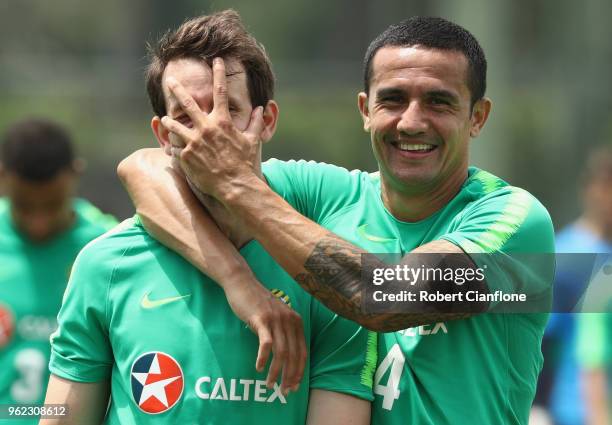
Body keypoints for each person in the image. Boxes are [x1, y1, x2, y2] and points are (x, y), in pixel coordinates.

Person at [120, 16, 556, 424]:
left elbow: (387, 297)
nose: (411, 121)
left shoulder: (515, 221)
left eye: (439, 102)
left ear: (476, 116)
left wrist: (236, 183)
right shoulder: (325, 194)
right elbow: (145, 169)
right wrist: (241, 284)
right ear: (365, 109)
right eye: (393, 99)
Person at [42, 11, 374, 425]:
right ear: (163, 136)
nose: (208, 132)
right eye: (185, 115)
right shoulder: (105, 265)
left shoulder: (324, 274)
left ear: (266, 120)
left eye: (227, 109)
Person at [0, 118, 116, 424]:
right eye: (24, 206)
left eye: (52, 206)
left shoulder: (109, 248)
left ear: (76, 173)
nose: (39, 222)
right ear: (2, 177)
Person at [539, 146, 612, 425]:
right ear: (592, 190)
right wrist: (537, 409)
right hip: (573, 412)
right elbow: (540, 340)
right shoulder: (565, 255)